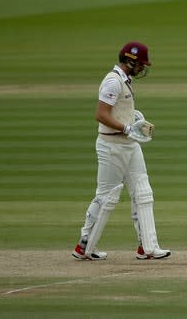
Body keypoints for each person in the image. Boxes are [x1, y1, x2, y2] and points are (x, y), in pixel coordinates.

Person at [72, 41, 171, 260]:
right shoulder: (112, 81)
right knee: (106, 196)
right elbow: (101, 114)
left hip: (129, 144)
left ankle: (147, 247)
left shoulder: (125, 81)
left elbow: (118, 111)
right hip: (111, 146)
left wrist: (134, 120)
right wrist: (126, 127)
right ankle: (84, 245)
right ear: (130, 61)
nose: (142, 69)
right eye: (141, 64)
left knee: (143, 192)